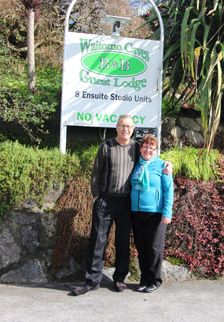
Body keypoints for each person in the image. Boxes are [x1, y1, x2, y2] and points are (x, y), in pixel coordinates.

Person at [70, 115, 171, 296]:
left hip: (126, 203)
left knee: (122, 242)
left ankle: (119, 278)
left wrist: (169, 165)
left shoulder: (135, 148)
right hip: (105, 200)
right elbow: (96, 172)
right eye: (123, 126)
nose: (126, 129)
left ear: (133, 129)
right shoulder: (106, 147)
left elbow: (153, 160)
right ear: (116, 127)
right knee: (98, 241)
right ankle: (91, 281)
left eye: (129, 127)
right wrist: (96, 196)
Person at [130, 134, 174, 293]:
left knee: (154, 248)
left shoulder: (163, 165)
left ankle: (155, 280)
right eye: (145, 146)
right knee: (141, 247)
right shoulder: (136, 165)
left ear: (156, 150)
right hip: (137, 212)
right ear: (141, 148)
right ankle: (144, 279)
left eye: (152, 147)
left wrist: (167, 213)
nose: (148, 150)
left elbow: (169, 190)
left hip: (156, 213)